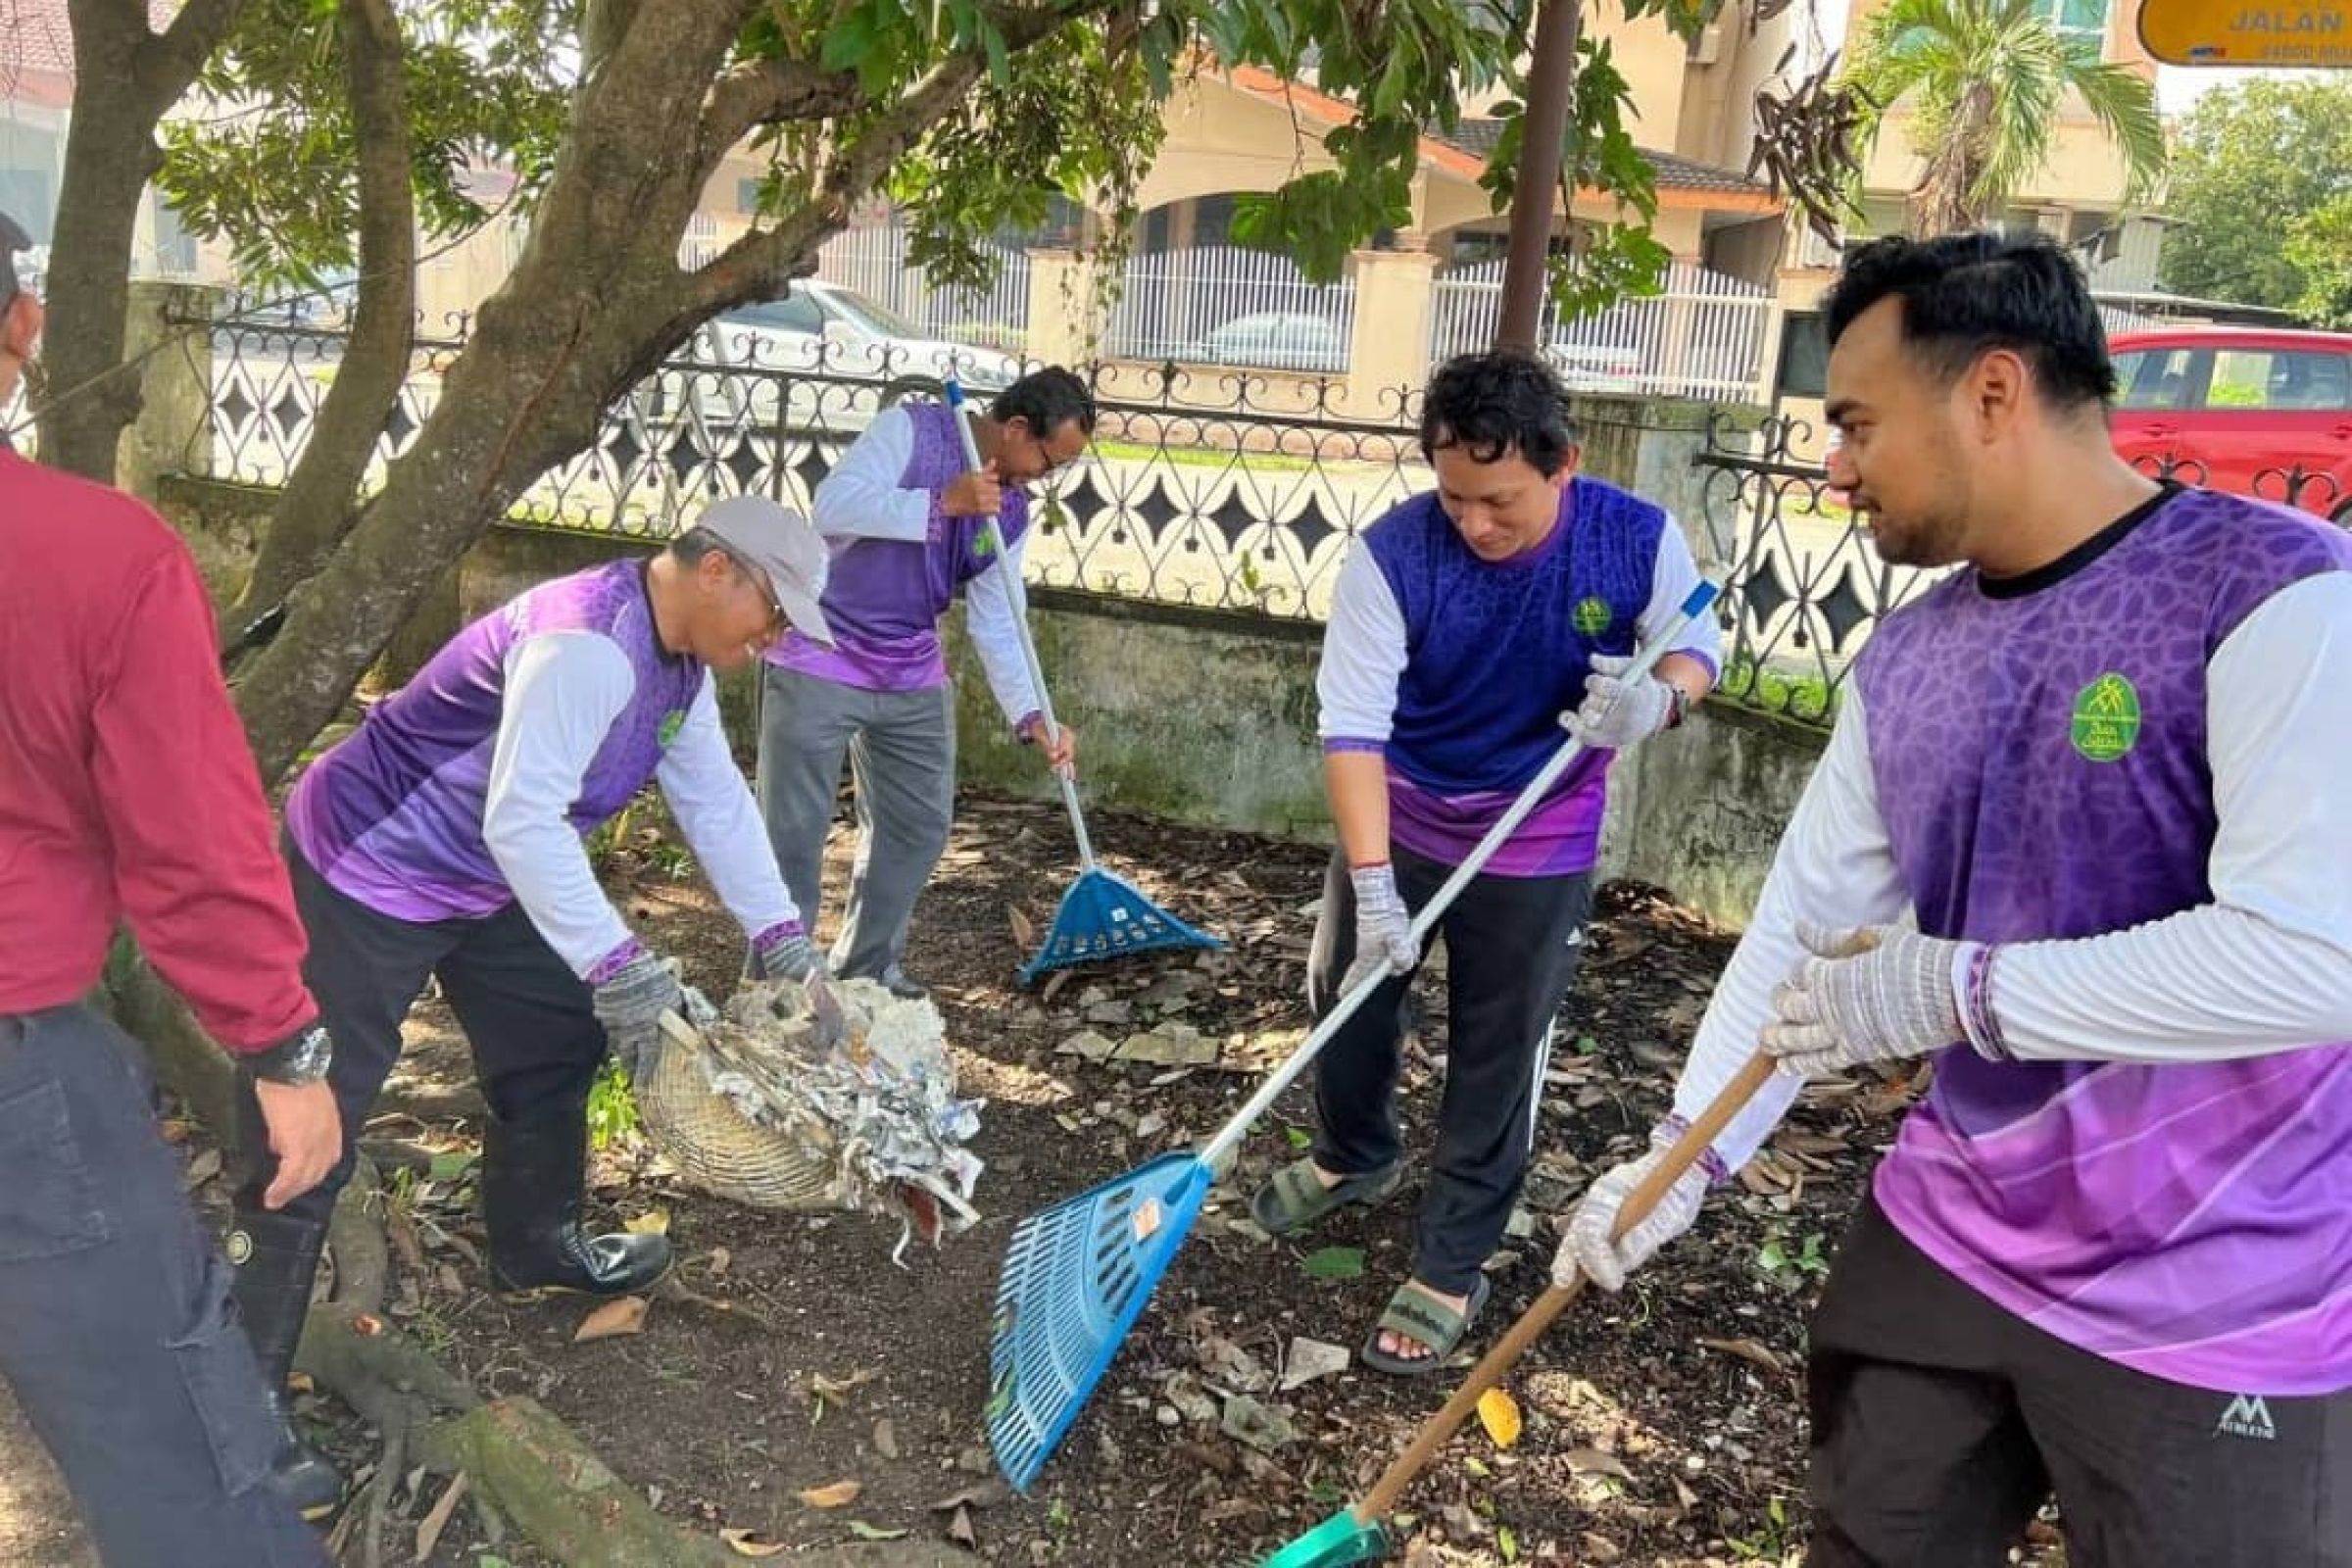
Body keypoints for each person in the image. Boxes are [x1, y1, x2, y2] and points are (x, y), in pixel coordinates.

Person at [1553, 233, 2352, 1565]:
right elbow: (1804, 937)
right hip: (1952, 1239)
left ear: (1991, 392)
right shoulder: (1907, 662)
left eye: (1858, 420)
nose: (1837, 463)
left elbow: (2315, 954)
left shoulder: (2277, 596)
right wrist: (1682, 1160)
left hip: (2222, 1288)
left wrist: (1960, 989)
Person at [232, 496, 842, 1456]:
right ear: (719, 569)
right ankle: (239, 1403)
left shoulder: (678, 663)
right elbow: (524, 821)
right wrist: (624, 964)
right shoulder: (587, 647)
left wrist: (782, 936)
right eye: (775, 611)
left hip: (483, 878)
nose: (774, 637)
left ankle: (534, 1245)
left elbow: (713, 796)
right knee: (314, 1118)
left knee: (557, 1031)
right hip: (369, 869)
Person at [1253, 349, 1721, 1375]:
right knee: (1346, 990)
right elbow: (1353, 728)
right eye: (1454, 494)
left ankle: (1454, 1255)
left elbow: (1698, 642)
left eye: (1499, 499)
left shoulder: (1632, 539)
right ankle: (1355, 1153)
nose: (1474, 523)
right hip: (1408, 815)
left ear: (1565, 465)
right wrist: (1374, 884)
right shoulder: (1394, 556)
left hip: (1539, 834)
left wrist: (1659, 701)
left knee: (1498, 1045)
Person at [0, 208, 334, 1563]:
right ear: (21, 333)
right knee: (178, 1458)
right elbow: (189, 839)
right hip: (22, 1091)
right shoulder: (95, 558)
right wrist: (283, 1042)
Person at [757, 368, 1093, 1000]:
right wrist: (942, 502)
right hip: (820, 648)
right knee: (794, 831)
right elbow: (833, 504)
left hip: (909, 663)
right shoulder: (910, 429)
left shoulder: (1011, 510)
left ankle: (865, 971)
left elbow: (1001, 620)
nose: (1047, 477)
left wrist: (1031, 714)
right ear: (1017, 429)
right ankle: (780, 984)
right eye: (1050, 459)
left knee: (918, 824)